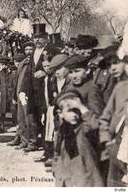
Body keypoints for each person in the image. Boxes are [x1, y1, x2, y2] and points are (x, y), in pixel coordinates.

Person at [20, 23, 58, 152]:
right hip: (32, 90)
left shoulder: (53, 50)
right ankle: (33, 141)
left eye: (40, 37)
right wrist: (23, 89)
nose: (37, 40)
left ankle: (46, 143)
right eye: (35, 38)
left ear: (46, 38)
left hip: (46, 89)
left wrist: (46, 72)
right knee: (32, 115)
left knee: (46, 116)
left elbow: (59, 66)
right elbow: (28, 72)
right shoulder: (33, 52)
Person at [54, 90, 104, 187]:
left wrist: (81, 106)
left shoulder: (84, 128)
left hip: (87, 180)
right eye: (69, 111)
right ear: (60, 113)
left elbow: (95, 126)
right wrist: (56, 171)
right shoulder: (62, 131)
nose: (74, 115)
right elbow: (57, 154)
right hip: (66, 180)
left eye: (76, 110)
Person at [99, 55, 128, 186]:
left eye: (116, 63)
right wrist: (107, 141)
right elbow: (105, 116)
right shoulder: (120, 87)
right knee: (116, 184)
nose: (112, 68)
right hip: (117, 144)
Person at [0, 57, 14, 133]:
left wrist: (11, 90)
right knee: (2, 112)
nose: (4, 66)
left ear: (8, 65)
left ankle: (15, 126)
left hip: (11, 94)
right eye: (2, 64)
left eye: (5, 64)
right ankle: (1, 127)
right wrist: (2, 90)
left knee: (13, 110)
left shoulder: (11, 73)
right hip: (3, 95)